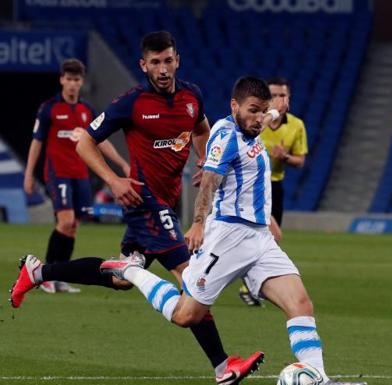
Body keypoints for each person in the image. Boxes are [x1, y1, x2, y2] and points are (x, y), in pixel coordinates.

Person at [10, 31, 262, 385]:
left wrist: (204, 159)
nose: (162, 69)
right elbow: (85, 141)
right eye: (155, 62)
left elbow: (201, 126)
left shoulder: (192, 96)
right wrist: (113, 181)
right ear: (143, 65)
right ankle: (223, 367)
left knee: (121, 279)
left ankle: (38, 273)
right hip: (144, 202)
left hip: (167, 201)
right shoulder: (131, 103)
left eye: (168, 60)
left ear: (178, 60)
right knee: (191, 275)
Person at [100, 76, 365, 385]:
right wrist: (198, 223)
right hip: (227, 237)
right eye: (253, 110)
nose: (258, 119)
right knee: (186, 315)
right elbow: (209, 182)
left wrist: (277, 110)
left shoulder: (253, 125)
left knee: (300, 303)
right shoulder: (225, 137)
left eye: (261, 111)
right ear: (234, 106)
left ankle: (318, 377)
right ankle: (130, 270)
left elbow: (267, 119)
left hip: (260, 239)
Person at [22, 58, 130, 294]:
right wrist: (29, 174)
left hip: (80, 174)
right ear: (62, 80)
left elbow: (100, 142)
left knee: (73, 227)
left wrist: (122, 163)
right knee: (66, 221)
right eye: (68, 79)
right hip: (57, 173)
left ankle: (58, 276)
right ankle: (43, 275)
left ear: (82, 82)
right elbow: (37, 142)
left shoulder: (86, 111)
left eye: (77, 80)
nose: (72, 84)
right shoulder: (49, 107)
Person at [238, 77, 308, 306]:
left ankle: (251, 284)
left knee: (268, 241)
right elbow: (246, 137)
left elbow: (300, 160)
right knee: (273, 235)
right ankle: (250, 283)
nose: (280, 100)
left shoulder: (296, 125)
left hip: (275, 186)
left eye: (283, 95)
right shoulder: (257, 121)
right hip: (253, 186)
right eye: (275, 95)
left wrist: (285, 157)